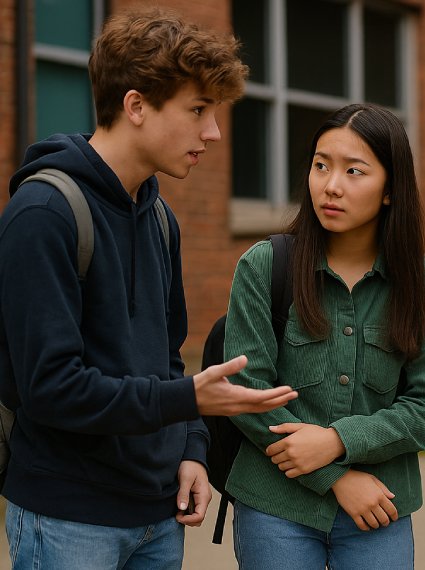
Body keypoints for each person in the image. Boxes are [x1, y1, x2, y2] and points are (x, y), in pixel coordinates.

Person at [0, 9, 298, 569]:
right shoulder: (43, 214)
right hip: (70, 518)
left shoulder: (159, 215)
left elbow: (167, 358)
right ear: (136, 105)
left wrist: (191, 448)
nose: (212, 132)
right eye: (198, 111)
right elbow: (50, 388)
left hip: (159, 515)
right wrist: (190, 401)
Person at [223, 103, 425, 570]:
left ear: (390, 190)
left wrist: (336, 440)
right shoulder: (266, 265)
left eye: (354, 171)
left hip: (380, 507)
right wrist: (336, 476)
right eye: (321, 165)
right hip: (275, 503)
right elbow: (248, 392)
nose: (331, 185)